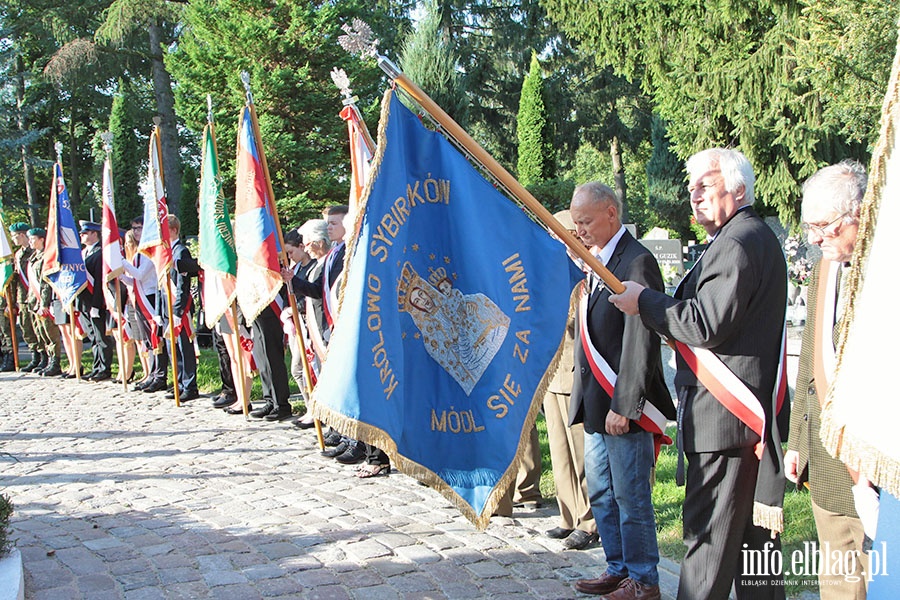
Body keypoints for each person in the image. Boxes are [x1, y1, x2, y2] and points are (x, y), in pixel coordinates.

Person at [609, 148, 789, 600]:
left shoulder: (738, 242)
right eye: (691, 187)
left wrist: (644, 302)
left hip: (724, 421)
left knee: (707, 551)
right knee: (756, 560)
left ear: (739, 188)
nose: (694, 195)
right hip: (738, 421)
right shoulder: (748, 237)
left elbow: (705, 324)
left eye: (705, 185)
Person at [568, 182, 673, 598]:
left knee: (631, 498)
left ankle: (644, 579)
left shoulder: (637, 262)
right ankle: (618, 567)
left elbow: (641, 338)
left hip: (620, 405)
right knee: (601, 493)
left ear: (611, 212)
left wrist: (626, 404)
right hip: (595, 401)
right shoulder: (595, 262)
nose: (580, 229)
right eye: (576, 222)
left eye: (587, 220)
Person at [784, 161, 869, 599]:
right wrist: (798, 439)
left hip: (878, 464)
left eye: (824, 227)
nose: (815, 239)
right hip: (827, 457)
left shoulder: (884, 272)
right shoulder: (822, 270)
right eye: (810, 227)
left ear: (859, 214)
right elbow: (808, 365)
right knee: (837, 580)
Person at [542, 209, 597, 549]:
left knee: (582, 454)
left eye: (559, 234)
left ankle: (589, 521)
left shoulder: (587, 271)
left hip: (578, 373)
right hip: (553, 371)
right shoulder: (551, 271)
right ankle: (567, 515)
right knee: (560, 451)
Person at [164, 215, 200, 401]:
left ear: (173, 230)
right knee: (173, 349)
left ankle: (189, 385)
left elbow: (182, 284)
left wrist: (178, 310)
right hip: (167, 306)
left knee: (185, 348)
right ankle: (178, 382)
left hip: (181, 308)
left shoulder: (180, 252)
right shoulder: (165, 253)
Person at [78, 221, 114, 381]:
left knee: (101, 337)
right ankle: (96, 366)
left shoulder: (100, 253)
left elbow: (99, 282)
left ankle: (105, 369)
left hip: (95, 302)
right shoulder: (83, 252)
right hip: (85, 302)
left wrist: (96, 304)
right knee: (93, 337)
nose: (82, 236)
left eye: (85, 233)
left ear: (94, 234)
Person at [25, 228, 63, 377]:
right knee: (41, 333)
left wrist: (44, 304)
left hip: (42, 301)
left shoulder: (45, 258)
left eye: (33, 239)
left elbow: (45, 283)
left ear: (41, 239)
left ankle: (55, 362)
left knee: (50, 333)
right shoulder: (34, 257)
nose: (30, 242)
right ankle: (47, 360)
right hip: (34, 300)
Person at [10, 222, 41, 372]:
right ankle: (35, 356)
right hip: (23, 297)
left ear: (23, 235)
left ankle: (44, 356)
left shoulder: (33, 252)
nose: (13, 239)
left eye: (15, 236)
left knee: (39, 327)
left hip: (35, 294)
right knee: (26, 326)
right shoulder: (17, 254)